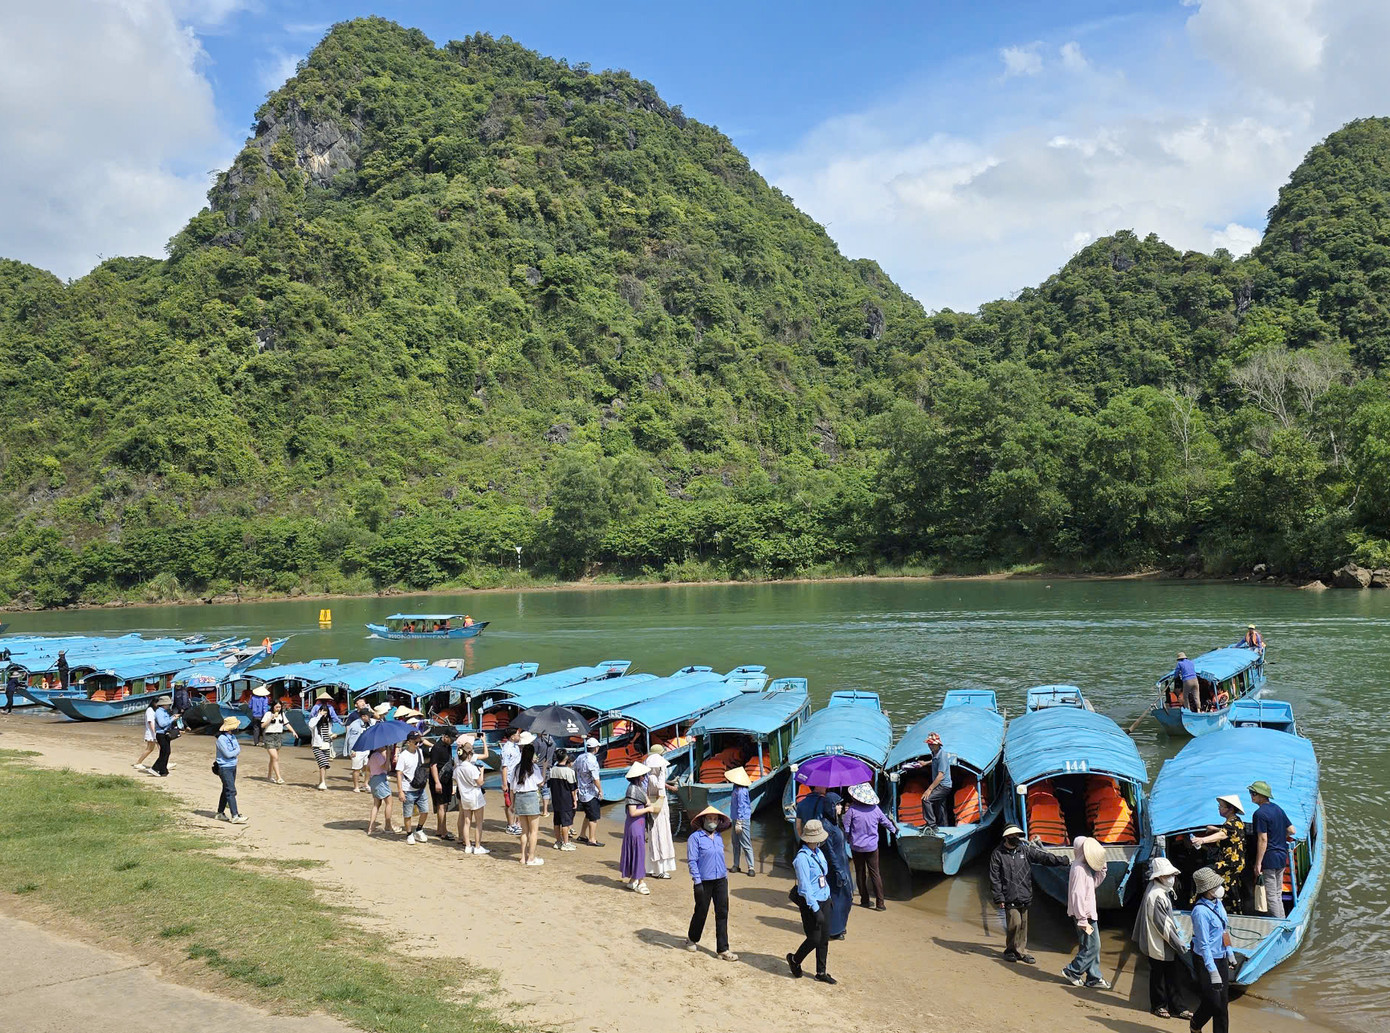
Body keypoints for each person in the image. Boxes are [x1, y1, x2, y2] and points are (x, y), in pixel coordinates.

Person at [989, 824, 1069, 964]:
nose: (1017, 838)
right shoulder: (998, 854)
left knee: (1024, 925)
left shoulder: (1025, 850)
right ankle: (1010, 950)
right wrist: (999, 897)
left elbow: (1043, 857)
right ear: (1007, 837)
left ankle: (1020, 951)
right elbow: (995, 878)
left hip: (1025, 893)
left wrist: (1062, 860)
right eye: (1014, 836)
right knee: (1015, 923)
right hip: (1009, 896)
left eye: (1018, 836)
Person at [1133, 857, 1191, 1019]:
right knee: (1159, 976)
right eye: (1168, 875)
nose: (1171, 878)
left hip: (1163, 943)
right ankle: (1159, 1006)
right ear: (1159, 877)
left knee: (1172, 975)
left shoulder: (1159, 892)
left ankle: (1177, 1007)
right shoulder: (1156, 895)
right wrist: (1179, 943)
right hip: (1158, 943)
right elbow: (1163, 926)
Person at [685, 806, 737, 960]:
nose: (712, 822)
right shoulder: (695, 838)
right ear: (703, 820)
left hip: (721, 879)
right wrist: (697, 882)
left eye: (715, 819)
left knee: (722, 913)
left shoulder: (720, 837)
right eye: (710, 819)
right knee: (701, 911)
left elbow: (721, 858)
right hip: (704, 880)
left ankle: (723, 949)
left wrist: (725, 876)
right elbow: (692, 861)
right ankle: (692, 938)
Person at [787, 818, 836, 983]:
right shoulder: (802, 859)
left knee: (824, 938)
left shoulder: (818, 852)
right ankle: (795, 960)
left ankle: (821, 972)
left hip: (824, 898)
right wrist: (815, 909)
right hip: (811, 903)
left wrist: (828, 898)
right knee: (814, 938)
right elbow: (805, 887)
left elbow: (823, 877)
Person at [1061, 836, 1111, 989]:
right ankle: (1073, 970)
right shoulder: (1078, 869)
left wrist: (1102, 868)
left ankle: (1094, 977)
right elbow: (1077, 895)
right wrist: (1082, 919)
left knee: (1088, 946)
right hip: (1084, 916)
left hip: (1087, 914)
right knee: (1094, 946)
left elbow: (1092, 885)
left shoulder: (1083, 867)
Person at [1189, 867, 1234, 1033]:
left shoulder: (1218, 903)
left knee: (1223, 1005)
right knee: (1212, 1002)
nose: (1220, 888)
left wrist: (1229, 952)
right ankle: (1196, 1024)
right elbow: (1203, 944)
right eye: (1215, 886)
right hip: (1206, 960)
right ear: (1207, 890)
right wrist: (1212, 971)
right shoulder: (1200, 912)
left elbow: (1224, 929)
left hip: (1221, 956)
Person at [1190, 795, 1248, 914]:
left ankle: (1198, 902)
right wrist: (1215, 829)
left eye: (1221, 806)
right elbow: (1227, 832)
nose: (1219, 809)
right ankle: (1235, 910)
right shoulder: (1236, 822)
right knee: (1231, 885)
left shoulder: (1231, 824)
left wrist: (1202, 840)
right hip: (1236, 863)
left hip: (1230, 862)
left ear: (1230, 809)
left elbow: (1223, 835)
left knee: (1203, 874)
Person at [844, 782, 896, 911]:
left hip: (856, 847)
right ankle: (880, 903)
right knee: (875, 873)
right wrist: (894, 830)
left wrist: (848, 839)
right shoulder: (875, 809)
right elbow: (886, 822)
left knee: (860, 873)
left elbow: (846, 828)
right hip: (872, 847)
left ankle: (865, 900)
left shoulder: (852, 810)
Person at [1249, 779, 1294, 919]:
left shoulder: (1260, 814)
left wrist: (1258, 863)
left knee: (1270, 895)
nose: (1251, 796)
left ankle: (1279, 922)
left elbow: (1263, 839)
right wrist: (1279, 836)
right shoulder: (1278, 809)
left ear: (1261, 796)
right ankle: (1283, 918)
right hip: (1281, 857)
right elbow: (1292, 830)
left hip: (1269, 858)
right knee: (1277, 893)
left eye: (1253, 793)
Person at [619, 760, 655, 894]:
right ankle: (640, 881)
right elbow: (633, 812)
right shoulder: (633, 789)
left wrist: (647, 805)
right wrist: (648, 809)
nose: (645, 777)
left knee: (635, 851)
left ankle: (633, 879)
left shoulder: (637, 788)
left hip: (636, 825)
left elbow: (646, 800)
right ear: (639, 776)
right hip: (635, 825)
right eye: (643, 775)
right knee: (638, 852)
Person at [644, 744, 678, 879]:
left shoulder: (651, 776)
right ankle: (659, 870)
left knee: (659, 836)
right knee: (660, 836)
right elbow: (659, 787)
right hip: (658, 809)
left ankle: (654, 868)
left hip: (657, 808)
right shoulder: (654, 777)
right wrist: (663, 773)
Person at [513, 733, 546, 866]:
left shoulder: (517, 768)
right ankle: (531, 857)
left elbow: (513, 786)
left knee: (524, 830)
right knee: (533, 831)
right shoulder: (534, 768)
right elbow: (541, 782)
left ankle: (522, 857)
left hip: (520, 798)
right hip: (531, 797)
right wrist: (544, 768)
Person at [395, 734, 430, 843]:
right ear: (409, 742)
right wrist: (400, 791)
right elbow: (399, 773)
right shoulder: (403, 756)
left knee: (425, 811)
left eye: (419, 742)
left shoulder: (419, 752)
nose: (418, 744)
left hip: (420, 787)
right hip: (408, 788)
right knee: (408, 813)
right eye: (416, 742)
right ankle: (409, 833)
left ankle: (419, 829)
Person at [214, 717, 248, 824]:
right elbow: (228, 754)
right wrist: (235, 752)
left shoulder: (232, 737)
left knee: (226, 789)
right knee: (231, 791)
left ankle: (220, 813)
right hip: (224, 767)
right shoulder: (221, 739)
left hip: (233, 766)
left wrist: (235, 751)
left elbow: (238, 749)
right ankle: (235, 815)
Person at [920, 732, 955, 829]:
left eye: (932, 744)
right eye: (929, 744)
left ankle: (931, 825)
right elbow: (935, 761)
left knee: (926, 799)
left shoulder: (942, 755)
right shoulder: (935, 754)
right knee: (940, 806)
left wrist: (929, 789)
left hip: (944, 786)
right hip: (941, 785)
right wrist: (925, 763)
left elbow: (940, 776)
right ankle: (943, 826)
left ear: (938, 744)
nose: (930, 746)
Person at [574, 736, 604, 847]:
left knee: (588, 814)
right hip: (590, 792)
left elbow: (574, 768)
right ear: (595, 748)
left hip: (582, 791)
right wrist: (600, 790)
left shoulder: (580, 757)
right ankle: (592, 839)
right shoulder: (592, 760)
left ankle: (582, 835)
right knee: (593, 817)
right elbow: (596, 778)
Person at [725, 766, 755, 876]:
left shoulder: (742, 791)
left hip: (742, 819)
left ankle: (751, 867)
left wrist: (739, 822)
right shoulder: (735, 788)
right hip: (735, 818)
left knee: (746, 843)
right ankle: (736, 864)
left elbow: (742, 807)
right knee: (735, 842)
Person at [428, 726, 456, 840]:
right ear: (445, 737)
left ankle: (440, 829)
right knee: (441, 805)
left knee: (445, 805)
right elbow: (433, 765)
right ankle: (443, 831)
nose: (453, 741)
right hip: (438, 779)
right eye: (451, 739)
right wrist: (437, 782)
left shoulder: (448, 747)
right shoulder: (436, 748)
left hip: (447, 779)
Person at [548, 749, 577, 850]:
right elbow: (573, 788)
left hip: (555, 799)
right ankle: (566, 843)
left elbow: (549, 784)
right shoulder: (569, 772)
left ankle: (558, 841)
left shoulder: (553, 770)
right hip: (566, 800)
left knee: (557, 822)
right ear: (566, 758)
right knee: (566, 822)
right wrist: (575, 800)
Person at [366, 745, 397, 836]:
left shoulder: (372, 756)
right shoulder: (378, 755)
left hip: (374, 779)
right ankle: (388, 826)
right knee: (389, 802)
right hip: (380, 779)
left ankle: (371, 827)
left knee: (376, 804)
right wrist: (387, 756)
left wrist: (387, 755)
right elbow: (386, 768)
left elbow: (368, 768)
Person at [308, 692, 336, 791]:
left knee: (323, 765)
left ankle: (321, 782)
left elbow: (329, 732)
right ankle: (323, 782)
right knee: (323, 763)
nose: (324, 713)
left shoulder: (328, 722)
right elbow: (311, 725)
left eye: (326, 712)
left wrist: (332, 735)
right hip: (317, 746)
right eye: (323, 711)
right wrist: (319, 716)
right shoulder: (314, 720)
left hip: (326, 745)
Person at [498, 727, 522, 836]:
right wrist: (504, 783)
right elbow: (504, 767)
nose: (519, 736)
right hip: (509, 779)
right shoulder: (507, 749)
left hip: (516, 778)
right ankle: (510, 825)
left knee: (516, 802)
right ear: (512, 736)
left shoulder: (516, 747)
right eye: (517, 734)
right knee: (509, 803)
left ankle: (516, 823)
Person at [346, 705, 373, 792]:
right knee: (356, 769)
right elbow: (352, 739)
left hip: (366, 749)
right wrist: (352, 750)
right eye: (368, 716)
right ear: (363, 716)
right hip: (357, 750)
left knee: (368, 767)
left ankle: (365, 783)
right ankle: (356, 786)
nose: (369, 717)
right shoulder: (355, 725)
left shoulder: (368, 723)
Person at [262, 700, 289, 784]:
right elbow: (262, 725)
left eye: (279, 707)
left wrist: (294, 731)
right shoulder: (268, 714)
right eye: (276, 707)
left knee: (273, 758)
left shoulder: (282, 715)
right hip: (269, 736)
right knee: (275, 758)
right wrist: (271, 718)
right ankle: (279, 777)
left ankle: (269, 776)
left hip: (278, 737)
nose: (278, 709)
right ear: (273, 707)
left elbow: (287, 724)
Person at [149, 696, 175, 777]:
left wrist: (172, 718)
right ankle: (155, 768)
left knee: (166, 752)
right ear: (164, 704)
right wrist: (172, 719)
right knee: (165, 752)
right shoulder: (159, 712)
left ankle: (163, 771)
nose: (169, 706)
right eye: (168, 704)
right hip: (161, 734)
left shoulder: (164, 712)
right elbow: (162, 723)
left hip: (165, 733)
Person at [134, 697, 159, 772]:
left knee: (161, 748)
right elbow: (150, 721)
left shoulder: (154, 710)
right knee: (149, 749)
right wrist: (154, 732)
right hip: (151, 733)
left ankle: (164, 763)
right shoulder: (150, 710)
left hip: (154, 732)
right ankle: (138, 762)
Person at [535, 730, 556, 817]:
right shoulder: (553, 742)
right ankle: (545, 810)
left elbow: (534, 754)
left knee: (536, 789)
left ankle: (536, 809)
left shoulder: (537, 741)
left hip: (538, 767)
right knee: (546, 789)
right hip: (548, 767)